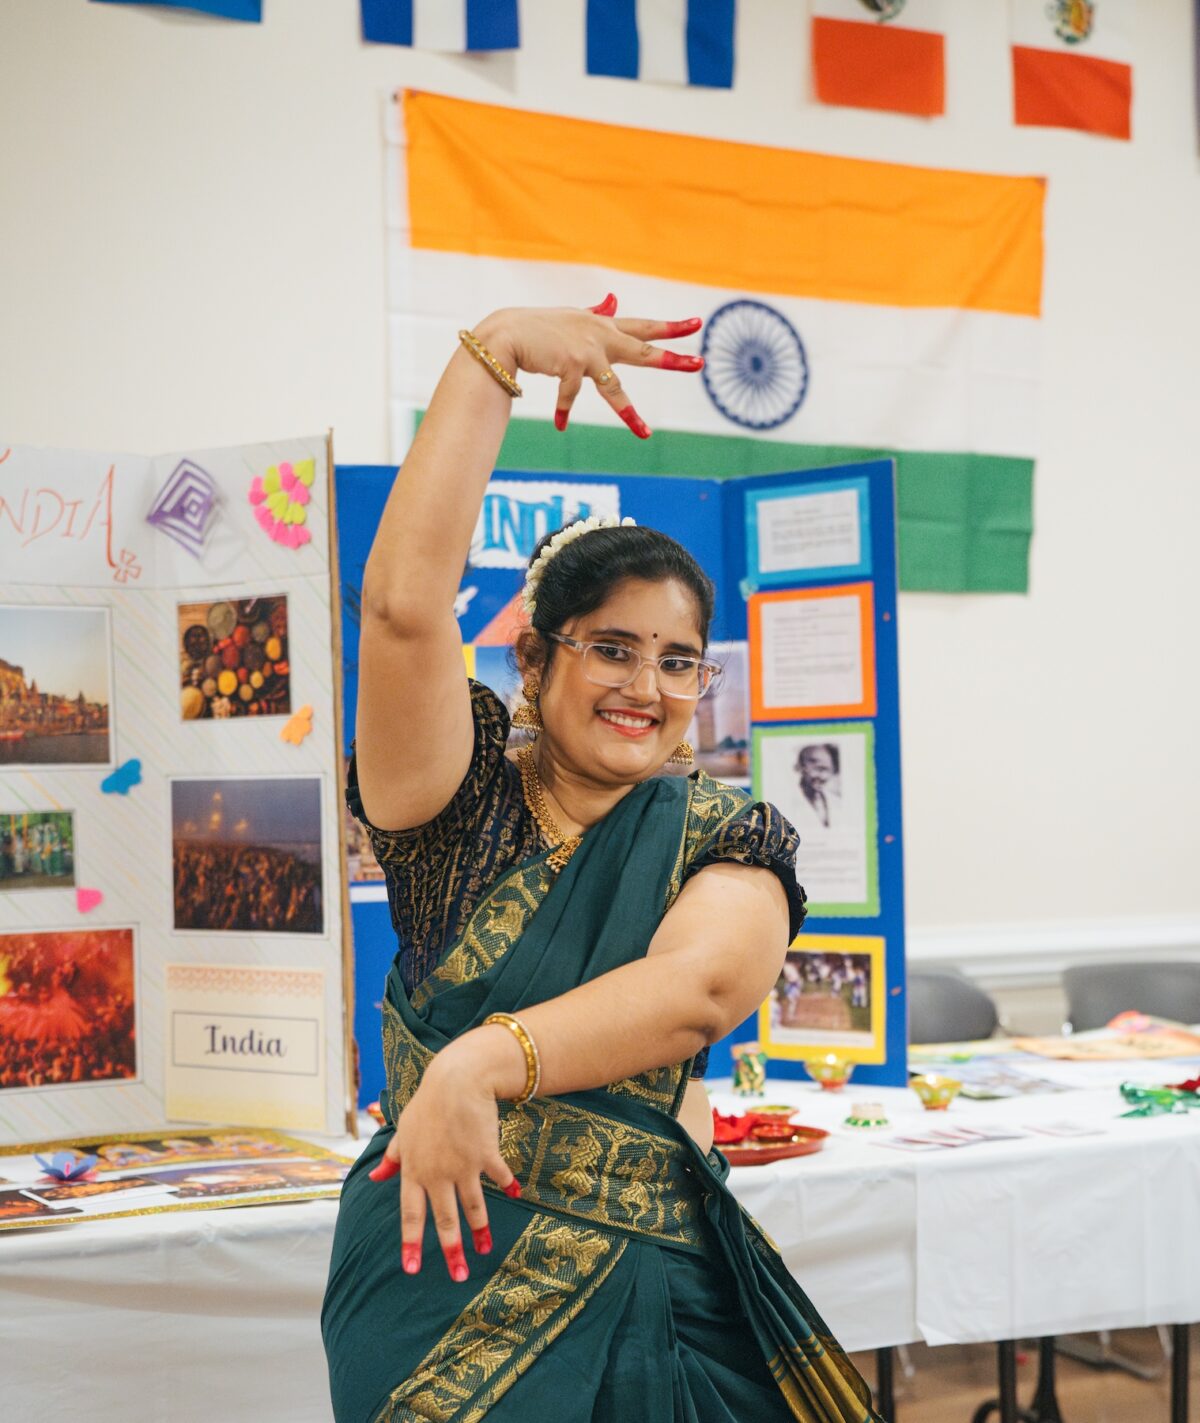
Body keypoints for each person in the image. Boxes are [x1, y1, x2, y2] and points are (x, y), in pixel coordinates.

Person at [321, 299, 882, 1423]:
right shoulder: (457, 799)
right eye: (612, 648)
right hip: (436, 1254)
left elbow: (696, 993)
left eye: (680, 662)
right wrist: (494, 357)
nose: (647, 688)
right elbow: (398, 613)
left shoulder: (726, 832)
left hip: (647, 1272)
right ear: (532, 657)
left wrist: (478, 1060)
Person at [794, 742, 842, 831]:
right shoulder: (786, 801)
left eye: (828, 770)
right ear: (802, 767)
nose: (824, 776)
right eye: (819, 769)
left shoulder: (836, 802)